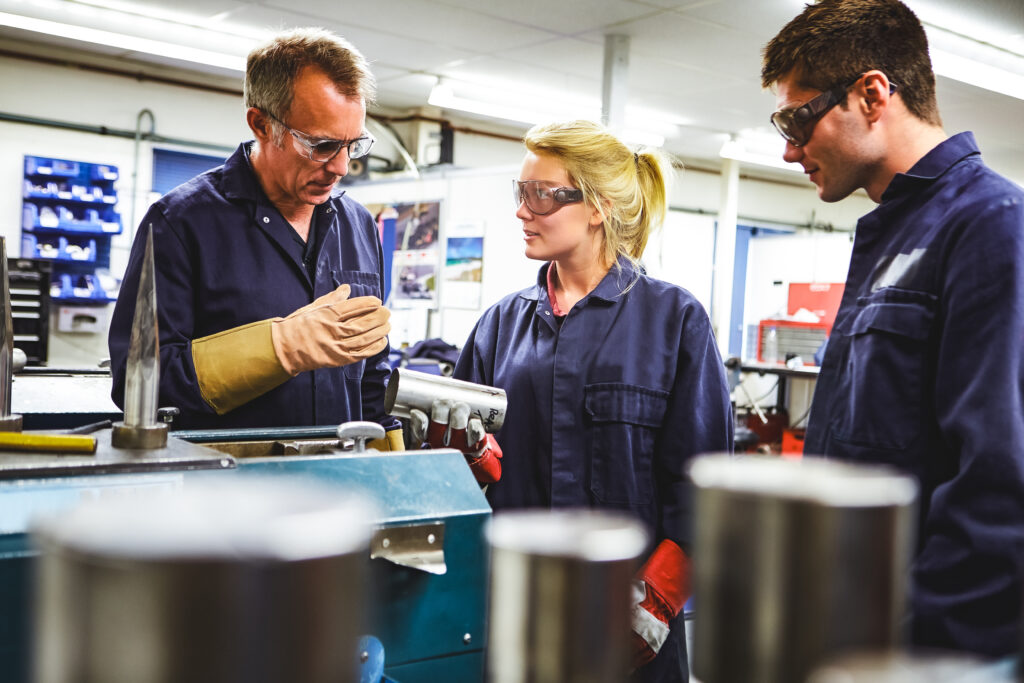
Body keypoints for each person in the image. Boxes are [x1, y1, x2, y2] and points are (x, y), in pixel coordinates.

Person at [415, 120, 733, 682]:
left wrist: (658, 597)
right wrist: (460, 455)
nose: (522, 210)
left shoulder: (675, 321)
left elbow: (703, 486)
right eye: (521, 193)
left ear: (597, 207)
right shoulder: (500, 325)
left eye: (541, 195)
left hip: (630, 626)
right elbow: (466, 475)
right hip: (518, 611)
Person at [762, 0, 1024, 657]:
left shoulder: (991, 225)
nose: (789, 148)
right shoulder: (893, 234)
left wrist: (907, 653)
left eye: (798, 118)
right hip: (850, 628)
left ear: (872, 94)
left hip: (921, 647)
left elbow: (996, 486)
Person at [109, 28, 401, 446]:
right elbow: (138, 385)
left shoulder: (357, 224)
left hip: (339, 490)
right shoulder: (178, 223)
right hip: (227, 493)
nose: (340, 168)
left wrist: (391, 463)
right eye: (321, 146)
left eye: (353, 145)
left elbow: (372, 376)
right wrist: (280, 349)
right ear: (261, 124)